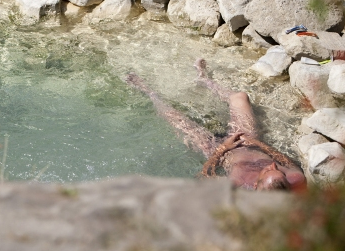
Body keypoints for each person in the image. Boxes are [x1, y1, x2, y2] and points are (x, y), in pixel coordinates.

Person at [126, 59, 306, 191]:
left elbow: (204, 175)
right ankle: (204, 80)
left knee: (176, 118)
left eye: (268, 170)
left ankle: (148, 92)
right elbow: (284, 159)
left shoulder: (238, 188)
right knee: (240, 97)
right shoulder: (295, 178)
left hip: (214, 149)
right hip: (248, 141)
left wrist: (222, 150)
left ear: (255, 185)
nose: (273, 166)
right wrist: (257, 144)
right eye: (278, 171)